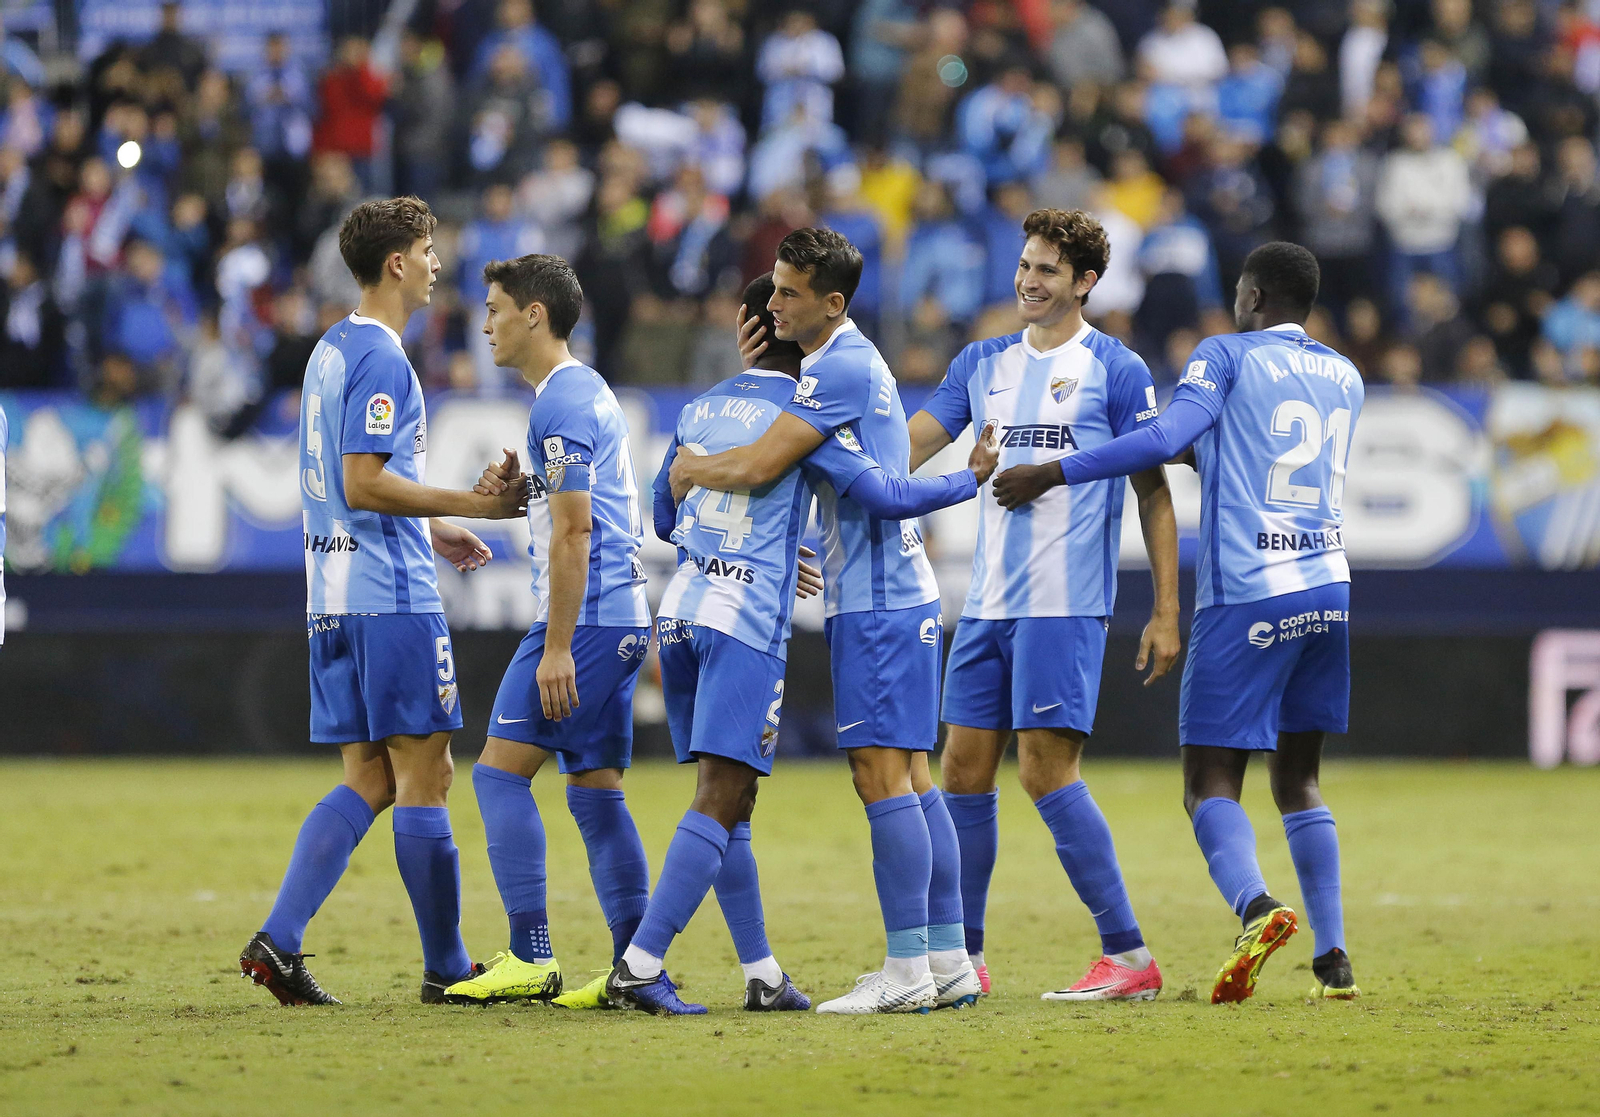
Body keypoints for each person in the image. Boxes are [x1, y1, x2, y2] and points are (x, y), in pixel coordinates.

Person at [608, 274, 999, 1015]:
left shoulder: (697, 407)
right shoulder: (803, 415)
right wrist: (966, 481)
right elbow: (883, 494)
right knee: (728, 796)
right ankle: (640, 961)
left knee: (731, 799)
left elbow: (664, 513)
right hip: (745, 623)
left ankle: (761, 972)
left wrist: (754, 540)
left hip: (682, 611)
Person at [993, 241, 1364, 1003]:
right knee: (1299, 779)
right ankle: (1335, 960)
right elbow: (1244, 451)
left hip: (1249, 590)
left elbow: (1166, 438)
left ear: (1253, 296)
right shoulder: (1345, 375)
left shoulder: (1224, 354)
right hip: (1328, 587)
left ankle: (1257, 908)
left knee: (1208, 783)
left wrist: (1052, 467)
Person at [240, 196, 527, 1006]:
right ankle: (448, 966)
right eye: (429, 248)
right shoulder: (384, 360)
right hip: (389, 599)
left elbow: (344, 481)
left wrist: (431, 526)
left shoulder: (330, 349)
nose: (439, 262)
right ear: (396, 262)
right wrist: (475, 509)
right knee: (426, 772)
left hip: (329, 595)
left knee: (371, 777)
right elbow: (365, 480)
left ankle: (279, 940)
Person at [905, 207, 1180, 1002]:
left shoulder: (1117, 369)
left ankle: (1128, 956)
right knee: (960, 768)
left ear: (1086, 282)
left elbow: (1154, 491)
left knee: (1045, 770)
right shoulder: (982, 362)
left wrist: (1166, 609)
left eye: (1049, 270)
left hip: (1066, 601)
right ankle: (964, 960)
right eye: (1026, 265)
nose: (1029, 279)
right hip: (988, 602)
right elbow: (911, 442)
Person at [440, 254, 654, 1011]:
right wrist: (525, 489)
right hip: (623, 615)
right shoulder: (583, 390)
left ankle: (531, 954)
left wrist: (558, 643)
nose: (486, 322)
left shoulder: (559, 403)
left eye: (496, 307)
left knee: (498, 773)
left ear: (536, 314)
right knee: (596, 792)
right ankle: (638, 967)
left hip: (587, 619)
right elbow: (578, 502)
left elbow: (576, 531)